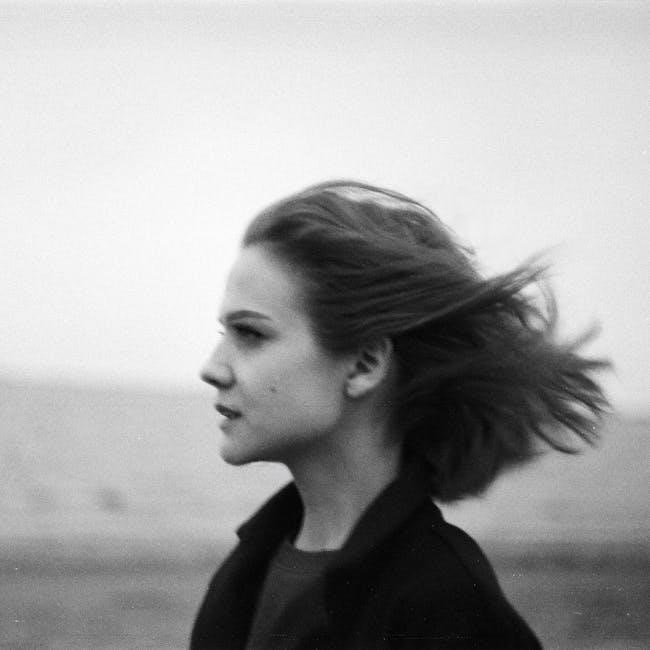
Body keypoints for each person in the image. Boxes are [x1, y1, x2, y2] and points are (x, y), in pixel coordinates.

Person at [191, 181, 609, 649]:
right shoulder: (250, 567)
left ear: (365, 364)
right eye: (225, 333)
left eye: (250, 334)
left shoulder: (439, 601)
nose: (212, 368)